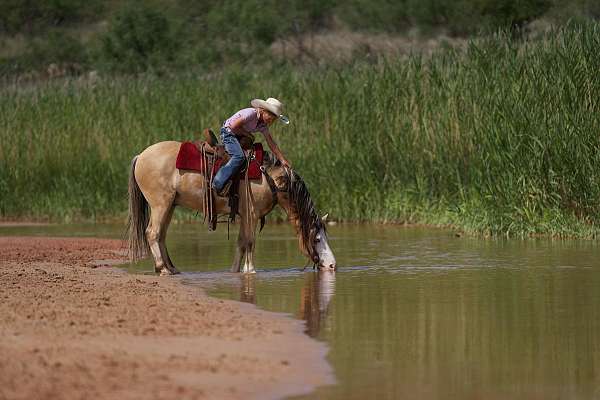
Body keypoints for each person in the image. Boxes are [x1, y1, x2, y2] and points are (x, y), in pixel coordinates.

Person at [211, 97, 292, 196]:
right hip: (229, 133)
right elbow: (233, 126)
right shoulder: (251, 113)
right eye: (270, 115)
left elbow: (271, 143)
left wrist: (282, 160)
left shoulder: (263, 125)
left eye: (274, 118)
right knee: (239, 157)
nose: (271, 120)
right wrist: (248, 135)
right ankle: (217, 183)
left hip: (238, 135)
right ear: (263, 110)